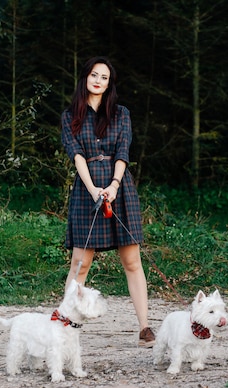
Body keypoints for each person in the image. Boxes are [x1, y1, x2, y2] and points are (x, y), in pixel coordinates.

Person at [60, 56, 155, 348]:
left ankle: (145, 328)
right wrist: (92, 189)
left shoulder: (121, 114)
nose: (98, 80)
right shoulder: (69, 115)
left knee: (131, 260)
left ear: (109, 83)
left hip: (119, 188)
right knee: (80, 263)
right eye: (93, 75)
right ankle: (64, 326)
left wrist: (113, 185)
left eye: (104, 77)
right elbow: (76, 154)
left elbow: (123, 151)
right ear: (85, 78)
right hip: (87, 189)